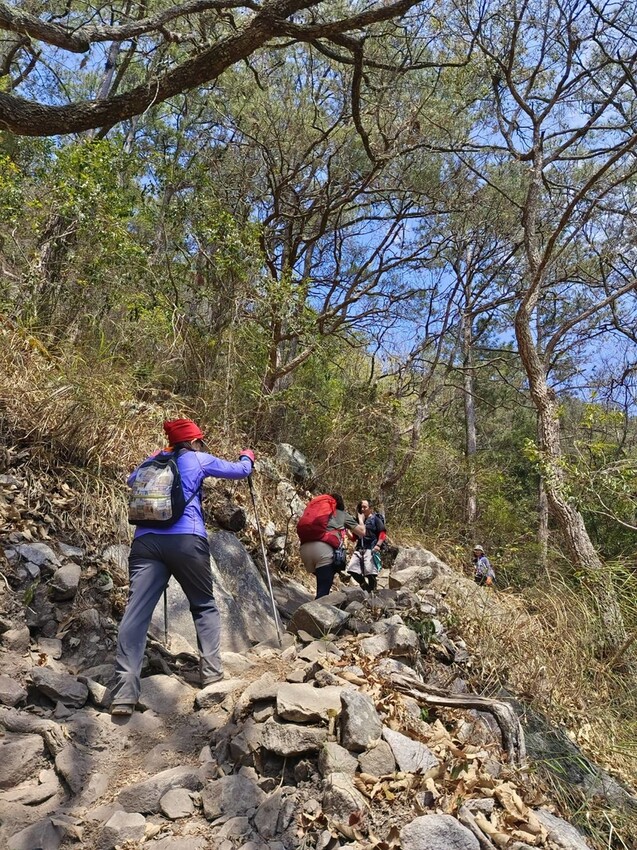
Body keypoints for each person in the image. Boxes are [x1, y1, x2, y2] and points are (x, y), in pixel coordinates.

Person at [110, 418, 254, 716]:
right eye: (200, 440)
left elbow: (130, 480)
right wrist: (248, 455)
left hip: (146, 543)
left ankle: (124, 690)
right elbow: (240, 471)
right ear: (193, 441)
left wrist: (157, 457)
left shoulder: (153, 461)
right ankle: (212, 673)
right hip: (187, 540)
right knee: (203, 605)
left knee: (136, 612)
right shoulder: (197, 459)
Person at [298, 493, 365, 599]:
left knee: (323, 581)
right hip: (322, 551)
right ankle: (315, 614)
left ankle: (311, 611)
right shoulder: (341, 514)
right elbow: (361, 532)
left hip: (304, 550)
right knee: (322, 594)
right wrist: (361, 519)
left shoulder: (317, 513)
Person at [346, 500, 386, 592]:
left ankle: (372, 590)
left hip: (371, 548)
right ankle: (365, 586)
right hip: (359, 548)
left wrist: (378, 545)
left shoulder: (376, 519)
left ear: (370, 508)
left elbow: (382, 533)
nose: (362, 509)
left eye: (365, 507)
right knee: (352, 569)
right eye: (361, 507)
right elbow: (354, 538)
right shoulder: (359, 521)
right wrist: (348, 534)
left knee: (370, 572)